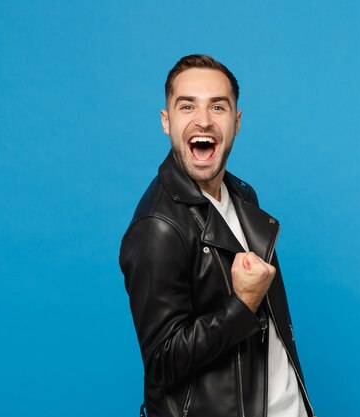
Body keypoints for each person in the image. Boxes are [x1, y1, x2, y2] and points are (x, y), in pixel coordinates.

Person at [119, 54, 315, 417]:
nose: (204, 120)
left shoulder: (242, 196)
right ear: (167, 121)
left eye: (218, 107)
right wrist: (240, 305)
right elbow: (161, 364)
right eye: (187, 105)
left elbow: (273, 330)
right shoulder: (157, 226)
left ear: (237, 122)